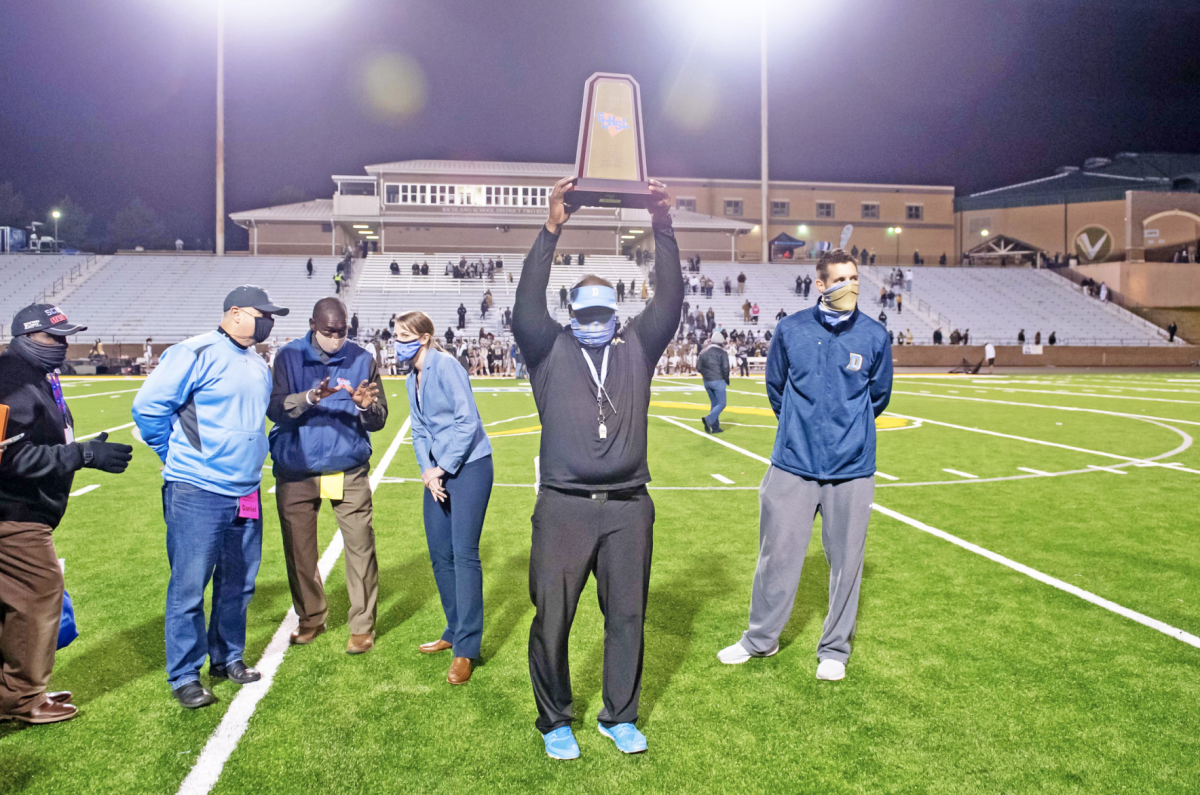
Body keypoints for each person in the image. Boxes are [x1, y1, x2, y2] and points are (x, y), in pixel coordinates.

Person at [513, 175, 681, 760]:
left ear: (616, 310)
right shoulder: (548, 348)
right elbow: (525, 305)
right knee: (553, 618)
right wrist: (551, 228)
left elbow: (671, 301)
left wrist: (662, 226)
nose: (595, 317)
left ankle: (620, 715)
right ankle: (554, 718)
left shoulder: (636, 346)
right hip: (562, 506)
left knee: (628, 617)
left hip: (630, 508)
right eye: (584, 310)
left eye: (604, 309)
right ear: (570, 311)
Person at [718, 248, 892, 681]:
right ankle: (761, 640)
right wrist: (801, 428)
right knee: (775, 556)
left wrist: (846, 434)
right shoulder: (791, 329)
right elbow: (776, 387)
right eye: (840, 280)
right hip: (792, 464)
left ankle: (834, 648)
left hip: (851, 468)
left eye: (854, 279)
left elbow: (879, 396)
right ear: (820, 285)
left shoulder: (874, 335)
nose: (849, 287)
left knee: (846, 562)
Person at [132, 286, 288, 709]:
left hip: (246, 490)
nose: (269, 322)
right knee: (189, 586)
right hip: (197, 488)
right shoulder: (193, 351)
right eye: (263, 314)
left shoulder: (258, 363)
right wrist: (174, 455)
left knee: (238, 583)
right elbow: (148, 408)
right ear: (235, 313)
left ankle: (227, 657)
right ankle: (185, 673)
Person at [0, 304, 132, 724]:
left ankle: (15, 691)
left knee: (21, 601)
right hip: (14, 512)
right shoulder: (9, 379)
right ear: (26, 337)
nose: (63, 344)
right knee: (38, 596)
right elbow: (11, 457)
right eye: (53, 337)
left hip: (24, 510)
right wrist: (83, 454)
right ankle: (22, 698)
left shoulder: (33, 373)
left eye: (65, 336)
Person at [267, 298, 386, 655]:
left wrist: (365, 406)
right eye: (328, 331)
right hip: (297, 469)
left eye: (342, 331)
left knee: (360, 545)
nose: (336, 337)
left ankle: (362, 626)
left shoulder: (363, 358)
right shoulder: (287, 357)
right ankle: (310, 617)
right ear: (312, 324)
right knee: (299, 550)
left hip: (345, 467)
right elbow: (275, 409)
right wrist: (307, 398)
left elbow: (378, 418)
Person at [393, 311, 494, 685]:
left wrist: (443, 467)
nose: (397, 342)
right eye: (395, 335)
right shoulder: (410, 378)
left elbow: (468, 421)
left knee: (464, 553)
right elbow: (418, 429)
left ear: (423, 338)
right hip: (437, 472)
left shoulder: (447, 366)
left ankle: (466, 649)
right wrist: (427, 469)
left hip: (470, 467)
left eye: (403, 335)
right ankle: (454, 629)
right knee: (439, 554)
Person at [697, 338, 729, 434]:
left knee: (714, 404)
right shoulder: (722, 352)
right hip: (718, 380)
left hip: (707, 381)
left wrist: (706, 375)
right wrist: (726, 379)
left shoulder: (702, 352)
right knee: (722, 403)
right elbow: (725, 368)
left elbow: (698, 368)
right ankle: (709, 419)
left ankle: (715, 428)